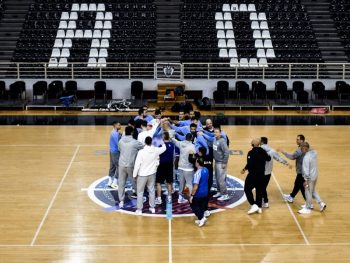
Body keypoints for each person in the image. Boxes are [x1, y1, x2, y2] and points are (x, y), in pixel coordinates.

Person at [133, 136, 166, 215]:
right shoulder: (155, 150)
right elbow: (164, 148)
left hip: (142, 175)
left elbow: (137, 165)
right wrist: (162, 141)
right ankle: (152, 208)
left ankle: (139, 209)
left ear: (145, 142)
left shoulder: (141, 152)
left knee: (140, 192)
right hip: (152, 174)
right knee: (151, 190)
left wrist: (134, 175)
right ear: (151, 142)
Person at [241, 138, 271, 214]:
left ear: (254, 144)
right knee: (259, 191)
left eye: (252, 141)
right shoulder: (263, 151)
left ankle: (253, 204)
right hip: (262, 175)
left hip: (253, 175)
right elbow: (268, 158)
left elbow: (249, 163)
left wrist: (245, 169)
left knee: (247, 189)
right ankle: (259, 207)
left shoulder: (251, 152)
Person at [260, 137, 291, 208]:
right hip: (268, 173)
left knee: (261, 187)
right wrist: (287, 163)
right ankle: (264, 201)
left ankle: (264, 201)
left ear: (261, 142)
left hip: (260, 172)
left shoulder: (259, 150)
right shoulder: (272, 151)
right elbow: (279, 158)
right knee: (263, 187)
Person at [118, 126, 144, 208]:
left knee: (121, 183)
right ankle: (140, 198)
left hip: (121, 164)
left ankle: (121, 201)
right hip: (130, 165)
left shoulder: (120, 141)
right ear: (132, 132)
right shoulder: (135, 142)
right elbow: (144, 146)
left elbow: (120, 150)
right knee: (135, 182)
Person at [298, 142, 326, 214]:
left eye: (301, 148)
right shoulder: (314, 153)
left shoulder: (306, 158)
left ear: (305, 148)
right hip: (315, 176)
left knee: (308, 192)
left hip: (309, 178)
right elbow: (311, 148)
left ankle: (307, 208)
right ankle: (321, 203)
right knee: (313, 191)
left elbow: (306, 170)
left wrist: (305, 180)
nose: (300, 150)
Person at [279, 134, 306, 203]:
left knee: (302, 187)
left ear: (302, 140)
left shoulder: (299, 150)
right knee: (297, 184)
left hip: (301, 171)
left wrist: (283, 152)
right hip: (304, 170)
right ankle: (291, 197)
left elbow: (292, 157)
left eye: (298, 139)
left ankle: (309, 203)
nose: (296, 141)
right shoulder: (306, 147)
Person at [172, 133, 196, 204]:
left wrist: (171, 136)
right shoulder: (193, 146)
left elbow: (175, 141)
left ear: (185, 137)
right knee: (189, 184)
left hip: (181, 167)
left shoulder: (181, 144)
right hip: (189, 168)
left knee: (181, 183)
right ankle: (191, 198)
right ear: (191, 138)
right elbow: (194, 158)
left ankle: (180, 198)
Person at [155, 132, 175, 205]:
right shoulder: (172, 145)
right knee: (169, 182)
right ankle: (169, 198)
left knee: (158, 182)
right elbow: (173, 156)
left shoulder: (160, 145)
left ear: (163, 137)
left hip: (161, 166)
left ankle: (159, 199)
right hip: (169, 166)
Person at [189, 157, 209, 227]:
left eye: (196, 162)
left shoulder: (197, 173)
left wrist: (192, 195)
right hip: (205, 192)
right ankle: (201, 219)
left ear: (197, 163)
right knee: (201, 206)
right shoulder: (206, 170)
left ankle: (202, 218)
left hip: (199, 193)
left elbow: (195, 187)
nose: (195, 163)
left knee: (193, 205)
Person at [212, 127, 230, 201]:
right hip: (216, 162)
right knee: (217, 178)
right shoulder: (214, 139)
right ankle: (219, 191)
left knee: (221, 180)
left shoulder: (222, 141)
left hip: (221, 163)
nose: (215, 133)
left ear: (220, 133)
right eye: (214, 132)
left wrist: (224, 163)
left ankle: (225, 194)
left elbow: (227, 152)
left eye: (217, 132)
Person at [108, 121, 122, 188]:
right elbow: (118, 144)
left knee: (112, 166)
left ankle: (110, 181)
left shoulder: (113, 132)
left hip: (111, 151)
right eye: (119, 125)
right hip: (116, 152)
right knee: (119, 167)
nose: (120, 126)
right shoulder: (115, 134)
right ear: (115, 126)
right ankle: (114, 182)